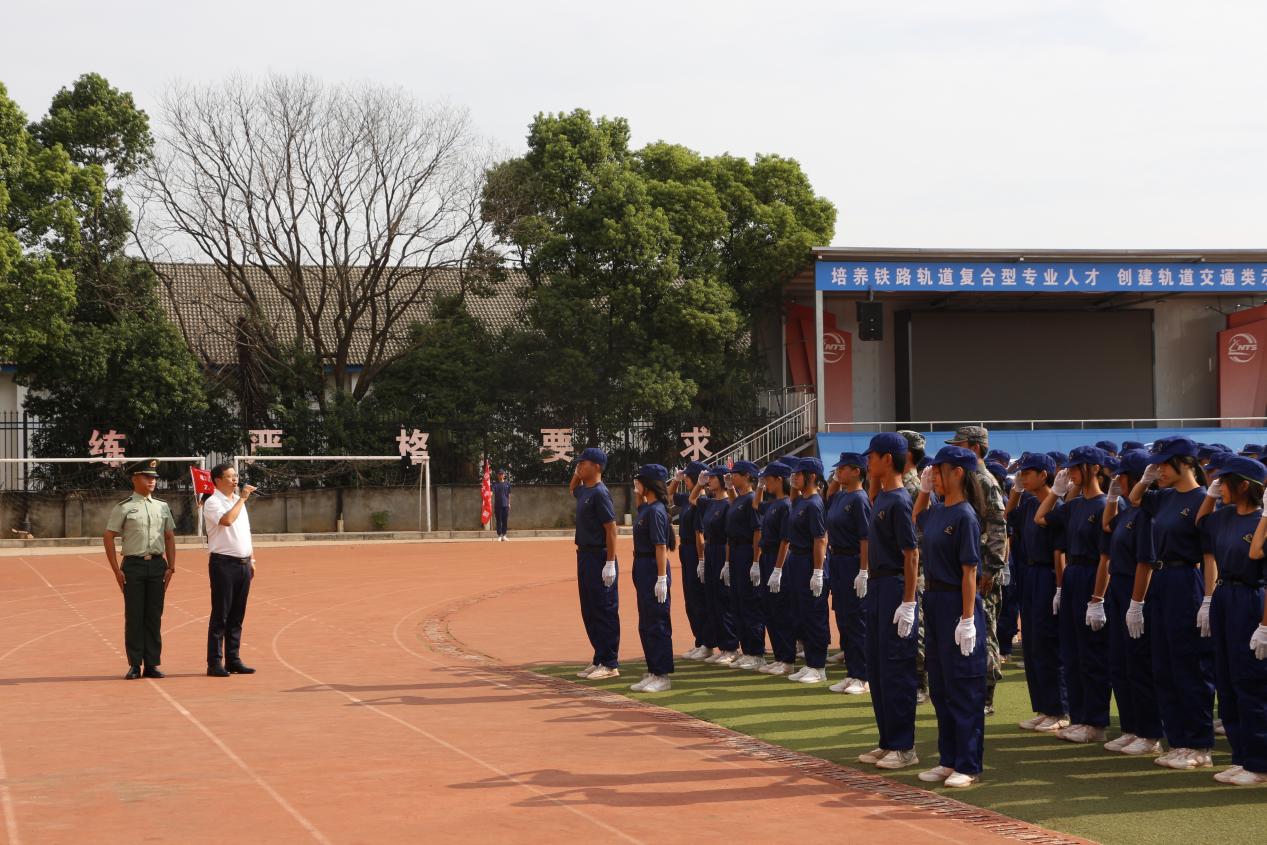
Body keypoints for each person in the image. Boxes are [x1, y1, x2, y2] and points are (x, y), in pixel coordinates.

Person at [1126, 436, 1215, 769]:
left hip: (1186, 579)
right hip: (1162, 581)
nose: (1158, 469)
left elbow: (1209, 556)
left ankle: (1199, 744)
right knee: (1163, 664)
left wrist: (1208, 598)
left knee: (1189, 665)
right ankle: (1178, 740)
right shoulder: (1162, 497)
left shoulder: (1202, 499)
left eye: (1164, 464)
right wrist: (1146, 480)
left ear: (1186, 463)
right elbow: (1135, 500)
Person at [913, 446, 987, 788]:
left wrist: (968, 618)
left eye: (938, 472)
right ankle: (948, 758)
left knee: (963, 687)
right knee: (940, 685)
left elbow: (970, 570)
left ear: (958, 472)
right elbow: (916, 522)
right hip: (935, 600)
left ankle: (967, 763)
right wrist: (925, 492)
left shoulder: (965, 516)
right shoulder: (939, 511)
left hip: (958, 601)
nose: (934, 477)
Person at [1037, 446, 1111, 743]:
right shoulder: (1074, 504)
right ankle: (1079, 717)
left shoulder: (1105, 504)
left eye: (1076, 468)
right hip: (1073, 575)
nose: (1071, 474)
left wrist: (1098, 599)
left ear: (1093, 468)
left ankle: (1096, 722)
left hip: (1092, 574)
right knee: (1072, 651)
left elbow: (1107, 558)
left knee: (1092, 653)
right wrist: (1056, 491)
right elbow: (1041, 518)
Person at [1094, 449, 1163, 755]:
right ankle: (1131, 727)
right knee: (1119, 662)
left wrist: (1137, 603)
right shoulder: (1128, 509)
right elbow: (1108, 526)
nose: (1116, 480)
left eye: (1120, 476)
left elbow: (1145, 562)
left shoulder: (1146, 512)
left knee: (1137, 662)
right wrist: (1111, 498)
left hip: (1134, 588)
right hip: (1118, 588)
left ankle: (1149, 733)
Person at [858, 433, 920, 770]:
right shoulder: (881, 496)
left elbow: (911, 555)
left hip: (896, 586)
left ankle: (904, 745)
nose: (868, 461)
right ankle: (887, 740)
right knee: (878, 666)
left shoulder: (899, 500)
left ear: (887, 459)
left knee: (897, 667)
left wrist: (908, 602)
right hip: (879, 587)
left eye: (873, 457)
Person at [1207, 457, 1267, 784]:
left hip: (1251, 599)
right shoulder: (1224, 516)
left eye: (1225, 481)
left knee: (1251, 681)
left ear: (1244, 485)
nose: (1220, 486)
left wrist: (1265, 626)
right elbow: (1199, 524)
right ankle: (1241, 756)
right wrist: (1209, 494)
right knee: (1227, 680)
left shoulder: (1263, 521)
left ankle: (1259, 763)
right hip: (1225, 596)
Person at [945, 425, 1008, 716]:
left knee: (985, 631)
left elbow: (997, 526)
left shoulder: (983, 480)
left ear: (973, 448)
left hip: (982, 567)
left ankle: (986, 695)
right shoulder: (969, 478)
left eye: (959, 445)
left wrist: (992, 568)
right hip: (967, 564)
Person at [1008, 452, 1069, 732]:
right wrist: (1016, 492)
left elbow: (1059, 550)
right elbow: (1007, 516)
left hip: (1047, 574)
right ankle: (1044, 707)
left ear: (1044, 474)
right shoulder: (1030, 502)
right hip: (1030, 573)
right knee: (1032, 644)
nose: (1023, 476)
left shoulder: (1056, 504)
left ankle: (1059, 710)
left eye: (1028, 473)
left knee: (1048, 642)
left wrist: (1059, 586)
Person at [103, 459, 177, 680]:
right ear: (135, 478)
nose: (152, 481)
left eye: (154, 477)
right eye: (147, 477)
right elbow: (108, 536)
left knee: (154, 616)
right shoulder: (124, 507)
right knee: (134, 616)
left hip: (157, 565)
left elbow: (169, 536)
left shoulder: (162, 506)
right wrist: (117, 569)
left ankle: (152, 664)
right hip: (133, 565)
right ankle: (135, 664)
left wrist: (171, 567)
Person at [768, 457, 830, 684]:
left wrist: (817, 571)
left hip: (809, 560)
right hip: (797, 560)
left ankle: (818, 666)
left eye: (799, 474)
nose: (794, 477)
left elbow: (819, 540)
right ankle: (809, 663)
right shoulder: (800, 501)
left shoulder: (814, 503)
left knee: (814, 614)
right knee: (800, 614)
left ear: (812, 476)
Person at [202, 463, 258, 677]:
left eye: (236, 476)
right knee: (221, 614)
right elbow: (226, 521)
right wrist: (243, 498)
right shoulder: (212, 502)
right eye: (230, 477)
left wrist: (251, 558)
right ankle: (214, 662)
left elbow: (246, 531)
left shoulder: (236, 501)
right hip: (223, 564)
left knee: (237, 615)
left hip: (243, 564)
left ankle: (233, 659)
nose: (235, 480)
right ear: (217, 480)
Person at [570, 448, 620, 680]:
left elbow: (611, 529)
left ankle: (610, 663)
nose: (579, 466)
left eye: (584, 463)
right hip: (584, 555)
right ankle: (599, 656)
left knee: (604, 609)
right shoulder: (584, 491)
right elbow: (572, 489)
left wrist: (610, 562)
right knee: (589, 609)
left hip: (600, 557)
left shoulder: (600, 493)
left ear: (597, 466)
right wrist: (577, 473)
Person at [825, 452, 871, 694]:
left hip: (853, 560)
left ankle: (862, 676)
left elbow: (865, 538)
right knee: (844, 618)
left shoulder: (860, 499)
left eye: (842, 469)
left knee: (857, 620)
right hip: (838, 560)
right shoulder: (842, 496)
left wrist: (863, 570)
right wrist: (834, 481)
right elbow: (829, 497)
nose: (838, 472)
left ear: (856, 471)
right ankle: (852, 672)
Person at [630, 464, 675, 692]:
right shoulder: (647, 508)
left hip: (652, 566)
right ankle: (652, 669)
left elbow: (661, 546)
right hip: (642, 565)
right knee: (646, 622)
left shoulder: (657, 510)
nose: (636, 484)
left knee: (657, 621)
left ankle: (662, 674)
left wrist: (661, 578)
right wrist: (638, 495)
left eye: (639, 481)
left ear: (650, 484)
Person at [895, 430, 930, 703]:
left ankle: (919, 684)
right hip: (898, 565)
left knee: (915, 628)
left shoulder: (916, 488)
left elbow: (921, 535)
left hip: (915, 568)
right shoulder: (897, 487)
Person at [693, 466, 739, 665]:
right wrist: (699, 484)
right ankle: (723, 646)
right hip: (711, 550)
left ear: (722, 480)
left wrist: (727, 563)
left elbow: (731, 532)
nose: (709, 481)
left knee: (724, 599)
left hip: (723, 550)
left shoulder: (728, 503)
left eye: (712, 478)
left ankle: (731, 646)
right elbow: (692, 500)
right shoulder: (710, 503)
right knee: (712, 599)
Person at [755, 461, 797, 675]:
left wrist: (778, 569)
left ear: (780, 480)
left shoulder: (786, 505)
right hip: (767, 557)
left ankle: (787, 658)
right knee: (769, 609)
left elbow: (785, 540)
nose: (765, 483)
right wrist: (760, 488)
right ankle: (780, 656)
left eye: (768, 480)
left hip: (778, 559)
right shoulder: (772, 503)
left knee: (781, 610)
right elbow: (756, 505)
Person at [726, 461, 766, 669]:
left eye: (736, 474)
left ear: (747, 476)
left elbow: (757, 531)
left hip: (746, 552)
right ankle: (747, 649)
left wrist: (756, 561)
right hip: (735, 552)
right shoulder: (739, 499)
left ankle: (756, 651)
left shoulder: (751, 499)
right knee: (738, 602)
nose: (732, 477)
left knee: (750, 603)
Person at [671, 461, 711, 660]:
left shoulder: (700, 502)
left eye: (687, 477)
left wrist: (702, 560)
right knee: (690, 599)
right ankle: (699, 640)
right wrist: (675, 481)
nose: (684, 479)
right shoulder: (688, 498)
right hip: (685, 549)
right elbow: (669, 496)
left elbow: (700, 534)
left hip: (695, 551)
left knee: (699, 598)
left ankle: (706, 642)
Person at [492, 469, 512, 541]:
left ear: (504, 475)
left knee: (505, 520)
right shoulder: (495, 484)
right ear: (497, 475)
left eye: (502, 474)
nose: (501, 475)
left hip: (505, 505)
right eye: (499, 474)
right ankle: (499, 535)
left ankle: (504, 535)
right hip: (498, 505)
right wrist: (490, 493)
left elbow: (509, 494)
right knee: (498, 520)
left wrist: (509, 503)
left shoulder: (507, 484)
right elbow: (492, 491)